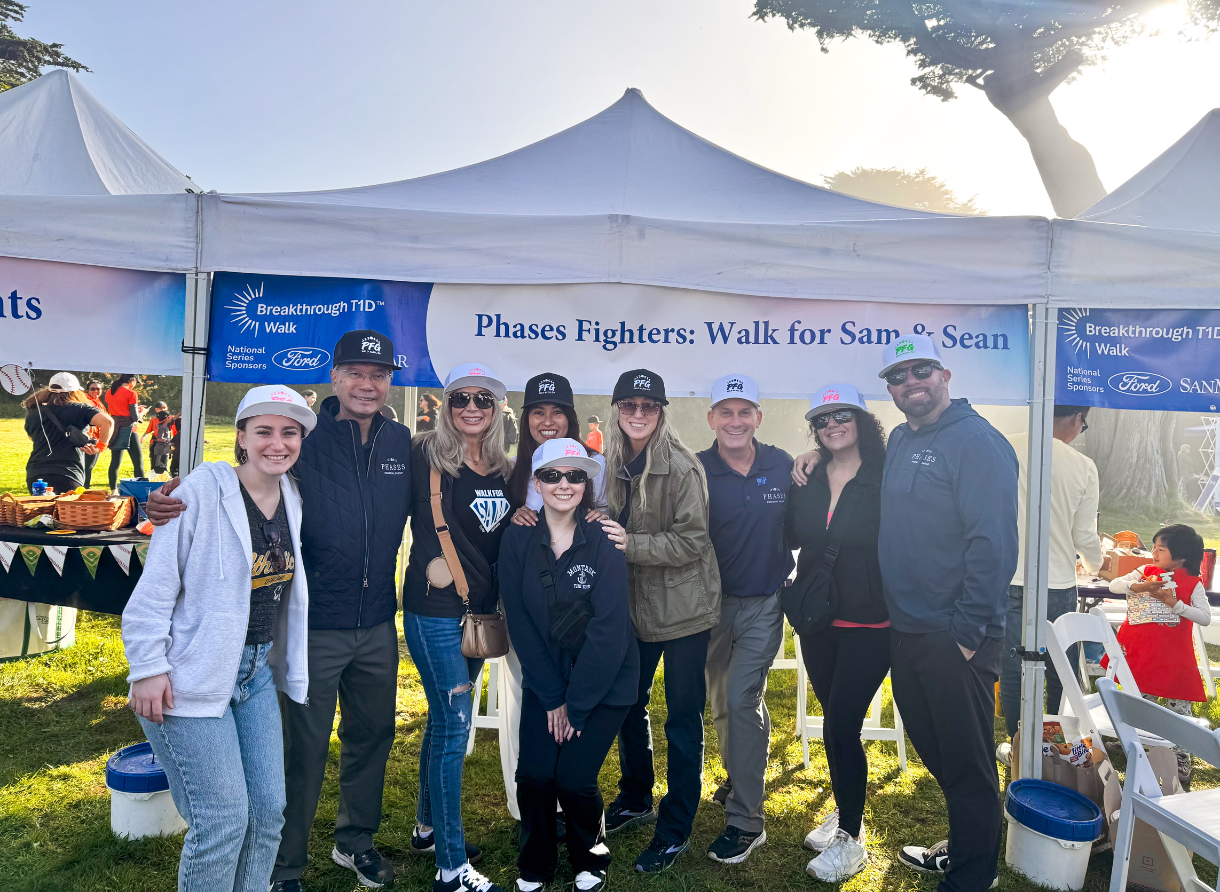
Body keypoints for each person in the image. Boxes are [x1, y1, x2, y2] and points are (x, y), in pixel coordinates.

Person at [146, 330, 414, 892]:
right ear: (335, 377)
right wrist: (175, 495)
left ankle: (355, 841)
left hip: (378, 623)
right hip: (314, 626)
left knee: (373, 735)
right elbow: (244, 476)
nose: (367, 384)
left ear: (391, 380)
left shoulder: (402, 442)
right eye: (355, 372)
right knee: (303, 748)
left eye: (379, 373)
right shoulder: (304, 439)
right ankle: (284, 867)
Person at [122, 385, 315, 892]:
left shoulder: (292, 496)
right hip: (190, 674)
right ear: (242, 438)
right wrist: (146, 667)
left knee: (269, 812)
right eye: (264, 431)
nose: (278, 443)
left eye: (289, 432)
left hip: (254, 674)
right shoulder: (204, 488)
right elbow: (155, 587)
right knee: (223, 819)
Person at [872, 334, 1017, 891]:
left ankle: (974, 876)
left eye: (921, 371)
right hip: (907, 629)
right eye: (899, 376)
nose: (911, 383)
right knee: (937, 750)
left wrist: (966, 631)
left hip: (954, 634)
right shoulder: (907, 440)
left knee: (968, 763)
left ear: (945, 374)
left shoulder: (977, 441)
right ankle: (965, 846)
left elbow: (994, 543)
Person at [499, 438, 638, 892]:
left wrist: (575, 706)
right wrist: (554, 698)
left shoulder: (603, 537)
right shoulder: (518, 535)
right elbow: (519, 621)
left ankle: (590, 857)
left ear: (586, 483)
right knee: (536, 774)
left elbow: (610, 629)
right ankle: (535, 864)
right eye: (553, 475)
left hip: (604, 682)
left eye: (575, 475)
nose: (564, 484)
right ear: (536, 482)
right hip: (547, 679)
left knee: (574, 778)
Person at [601, 368, 721, 874]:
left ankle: (675, 827)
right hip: (631, 608)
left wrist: (632, 545)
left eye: (648, 406)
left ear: (661, 412)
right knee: (627, 702)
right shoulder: (604, 462)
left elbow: (694, 540)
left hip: (685, 609)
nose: (638, 414)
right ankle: (635, 796)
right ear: (616, 411)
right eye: (629, 405)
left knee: (682, 718)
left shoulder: (683, 466)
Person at [401, 362, 513, 892]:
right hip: (435, 611)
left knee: (445, 721)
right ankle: (450, 865)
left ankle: (427, 828)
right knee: (453, 729)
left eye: (483, 400)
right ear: (445, 406)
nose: (471, 407)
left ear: (497, 409)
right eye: (460, 398)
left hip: (480, 612)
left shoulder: (505, 469)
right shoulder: (423, 453)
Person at [786, 383, 888, 882]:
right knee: (835, 720)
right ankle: (849, 813)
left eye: (842, 415)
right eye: (822, 420)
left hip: (872, 621)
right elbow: (791, 533)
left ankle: (852, 838)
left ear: (862, 419)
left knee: (841, 724)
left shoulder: (887, 472)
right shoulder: (809, 475)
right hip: (818, 619)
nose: (832, 425)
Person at [501, 373, 608, 822]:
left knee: (576, 699)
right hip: (527, 605)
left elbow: (602, 520)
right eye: (538, 412)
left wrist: (599, 514)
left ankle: (574, 799)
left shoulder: (592, 467)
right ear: (525, 419)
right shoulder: (511, 470)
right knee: (530, 697)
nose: (548, 421)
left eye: (557, 411)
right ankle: (530, 804)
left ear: (571, 416)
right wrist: (515, 514)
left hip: (578, 608)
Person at [696, 374, 792, 865]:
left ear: (759, 416)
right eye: (725, 412)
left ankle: (747, 822)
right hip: (710, 606)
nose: (735, 421)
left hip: (763, 602)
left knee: (741, 696)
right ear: (710, 418)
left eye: (744, 411)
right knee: (721, 700)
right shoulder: (696, 469)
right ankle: (741, 769)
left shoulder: (783, 465)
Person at [998, 405, 1104, 760]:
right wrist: (1098, 564)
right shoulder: (1083, 466)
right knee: (1060, 670)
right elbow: (1085, 535)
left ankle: (1020, 748)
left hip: (1008, 576)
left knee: (1015, 671)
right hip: (1058, 581)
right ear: (1076, 419)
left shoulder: (1003, 445)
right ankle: (1055, 749)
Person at [1108, 524, 1211, 787]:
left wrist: (1175, 605)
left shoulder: (1193, 583)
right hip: (1143, 650)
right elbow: (1115, 586)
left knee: (1179, 710)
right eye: (1153, 546)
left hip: (1175, 657)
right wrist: (1140, 586)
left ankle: (1180, 752)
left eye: (1160, 549)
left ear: (1181, 556)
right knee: (1140, 699)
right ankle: (1136, 741)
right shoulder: (1146, 570)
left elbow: (1205, 617)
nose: (1153, 552)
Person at [23, 372, 114, 494]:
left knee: (41, 511)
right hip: (68, 473)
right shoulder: (80, 409)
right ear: (75, 391)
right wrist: (101, 446)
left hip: (36, 473)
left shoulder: (35, 412)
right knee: (68, 512)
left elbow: (31, 436)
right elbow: (107, 422)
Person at [105, 374, 145, 491]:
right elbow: (134, 417)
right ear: (132, 380)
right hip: (130, 429)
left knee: (115, 462)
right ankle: (140, 489)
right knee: (138, 462)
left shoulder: (110, 391)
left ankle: (113, 490)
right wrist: (142, 412)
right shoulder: (131, 393)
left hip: (116, 427)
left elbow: (116, 407)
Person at [143, 401, 179, 478]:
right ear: (156, 410)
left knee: (164, 460)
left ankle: (162, 476)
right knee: (155, 461)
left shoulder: (169, 419)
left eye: (164, 408)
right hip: (156, 443)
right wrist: (143, 438)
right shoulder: (154, 420)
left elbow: (175, 420)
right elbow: (148, 431)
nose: (162, 409)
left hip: (165, 445)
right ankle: (155, 476)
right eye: (160, 408)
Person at [84, 379, 106, 487]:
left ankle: (85, 487)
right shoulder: (86, 401)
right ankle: (84, 488)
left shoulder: (99, 403)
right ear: (88, 390)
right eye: (93, 389)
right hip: (88, 437)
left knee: (89, 466)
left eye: (98, 389)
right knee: (87, 466)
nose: (95, 391)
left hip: (96, 437)